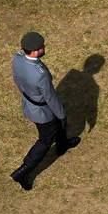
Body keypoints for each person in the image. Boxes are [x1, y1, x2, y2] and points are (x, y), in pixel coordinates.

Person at [10, 31, 80, 190]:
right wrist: (61, 114)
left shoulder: (17, 59)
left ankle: (62, 145)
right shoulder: (39, 75)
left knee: (57, 127)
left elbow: (17, 79)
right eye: (42, 47)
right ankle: (23, 171)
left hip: (29, 102)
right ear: (35, 51)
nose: (44, 47)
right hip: (42, 111)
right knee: (45, 140)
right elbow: (50, 97)